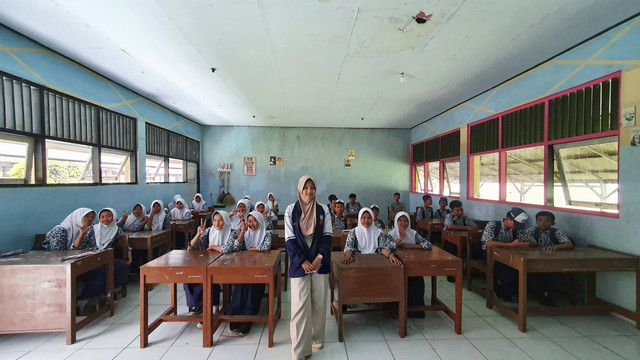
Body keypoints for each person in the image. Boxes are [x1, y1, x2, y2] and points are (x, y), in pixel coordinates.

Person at [285, 175, 333, 360]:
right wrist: (301, 261)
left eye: (312, 187)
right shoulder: (291, 210)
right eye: (305, 188)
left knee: (319, 302)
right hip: (300, 264)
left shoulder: (323, 210)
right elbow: (289, 240)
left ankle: (317, 338)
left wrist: (320, 257)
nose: (308, 191)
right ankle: (299, 350)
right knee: (299, 306)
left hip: (319, 262)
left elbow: (328, 236)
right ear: (299, 189)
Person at [185, 211, 239, 327]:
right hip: (209, 262)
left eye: (220, 220)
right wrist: (198, 234)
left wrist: (213, 246)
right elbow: (191, 248)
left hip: (227, 264)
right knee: (190, 277)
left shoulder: (232, 232)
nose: (217, 223)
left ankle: (211, 309)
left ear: (226, 220)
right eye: (215, 220)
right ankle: (199, 305)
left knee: (210, 279)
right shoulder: (209, 231)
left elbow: (227, 248)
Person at [224, 210, 271, 335]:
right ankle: (235, 314)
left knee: (253, 286)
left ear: (260, 221)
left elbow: (265, 247)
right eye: (249, 221)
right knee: (239, 286)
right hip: (244, 267)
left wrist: (251, 249)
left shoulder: (266, 234)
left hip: (260, 269)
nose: (252, 224)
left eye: (254, 221)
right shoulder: (245, 234)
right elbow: (235, 248)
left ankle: (248, 317)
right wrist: (242, 233)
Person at [72, 208, 130, 303]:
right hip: (88, 258)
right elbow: (75, 248)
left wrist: (129, 256)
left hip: (103, 258)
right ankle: (85, 298)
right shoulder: (92, 228)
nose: (105, 219)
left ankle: (106, 292)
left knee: (121, 265)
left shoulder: (116, 229)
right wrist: (82, 234)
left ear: (114, 217)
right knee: (102, 272)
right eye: (102, 217)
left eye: (108, 216)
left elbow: (127, 244)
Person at [480, 207, 536, 301]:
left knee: (519, 268)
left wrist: (526, 244)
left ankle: (511, 291)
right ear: (508, 218)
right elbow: (487, 242)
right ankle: (502, 290)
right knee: (503, 269)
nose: (517, 227)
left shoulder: (516, 230)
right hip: (490, 255)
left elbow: (534, 242)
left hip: (508, 257)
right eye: (516, 224)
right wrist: (510, 245)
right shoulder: (493, 224)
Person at [520, 210, 573, 306]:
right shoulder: (533, 230)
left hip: (552, 262)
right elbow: (521, 236)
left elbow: (569, 244)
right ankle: (539, 293)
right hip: (534, 261)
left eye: (547, 221)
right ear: (536, 222)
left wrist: (556, 247)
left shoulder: (556, 232)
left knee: (551, 276)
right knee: (529, 274)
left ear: (553, 223)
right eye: (540, 220)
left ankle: (548, 296)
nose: (543, 223)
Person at [389, 211, 432, 318]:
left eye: (406, 221)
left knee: (416, 282)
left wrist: (410, 246)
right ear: (396, 222)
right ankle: (397, 309)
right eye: (400, 221)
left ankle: (415, 311)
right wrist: (401, 238)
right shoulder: (391, 234)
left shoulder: (413, 233)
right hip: (396, 266)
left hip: (412, 264)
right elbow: (387, 247)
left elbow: (428, 244)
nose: (403, 224)